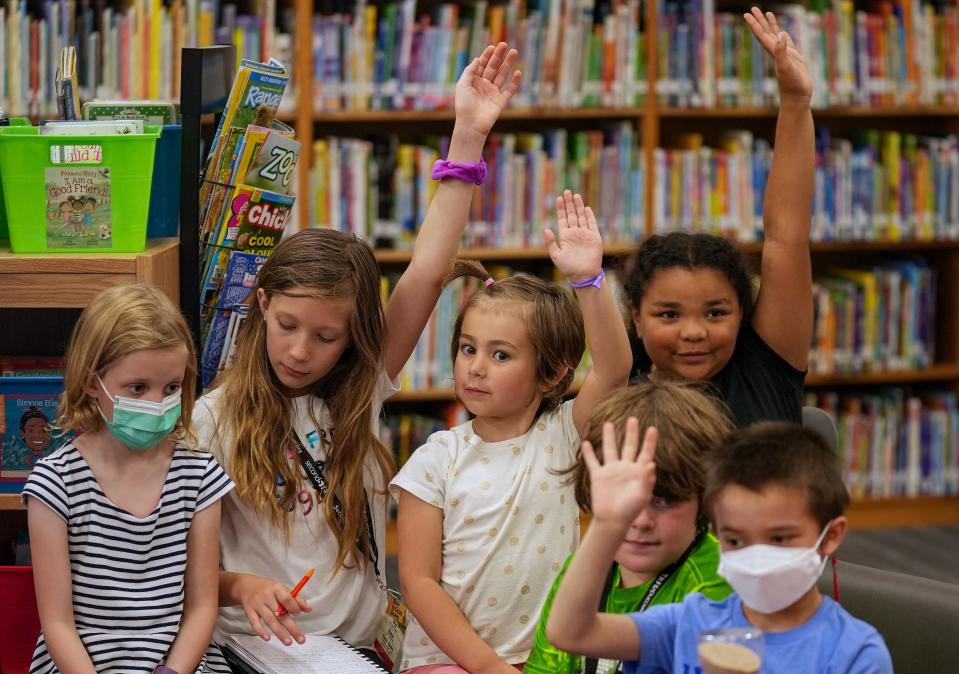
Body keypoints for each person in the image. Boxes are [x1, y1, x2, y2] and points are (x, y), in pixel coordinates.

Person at [191, 42, 523, 654]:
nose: (299, 351)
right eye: (287, 324)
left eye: (325, 337)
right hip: (257, 647)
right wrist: (240, 586)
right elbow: (177, 568)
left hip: (361, 645)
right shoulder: (214, 416)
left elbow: (426, 272)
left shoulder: (359, 385)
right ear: (261, 303)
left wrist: (468, 137)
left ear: (353, 337)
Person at [390, 190, 633, 673]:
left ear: (551, 375)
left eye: (501, 355)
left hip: (548, 657)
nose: (476, 368)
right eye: (467, 349)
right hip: (449, 660)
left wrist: (588, 279)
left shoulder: (564, 433)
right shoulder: (436, 459)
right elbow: (418, 583)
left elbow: (615, 369)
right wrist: (488, 667)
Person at [545, 419, 893, 673]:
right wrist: (608, 524)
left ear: (830, 536)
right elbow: (570, 632)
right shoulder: (692, 621)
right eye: (735, 539)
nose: (756, 556)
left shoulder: (855, 653)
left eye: (780, 538)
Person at [22, 283, 234, 673]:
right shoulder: (56, 484)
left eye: (171, 388)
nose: (158, 405)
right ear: (91, 382)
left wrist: (173, 670)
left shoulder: (200, 475)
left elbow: (202, 605)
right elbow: (57, 622)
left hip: (180, 664)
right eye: (137, 388)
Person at [625, 7, 814, 427]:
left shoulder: (766, 367)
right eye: (669, 314)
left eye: (716, 313)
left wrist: (796, 103)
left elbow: (787, 236)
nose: (694, 332)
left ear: (743, 314)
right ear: (636, 316)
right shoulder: (617, 396)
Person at [525, 381, 734, 674]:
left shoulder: (718, 578)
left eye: (665, 500)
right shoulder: (584, 571)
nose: (640, 520)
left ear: (706, 497)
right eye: (622, 499)